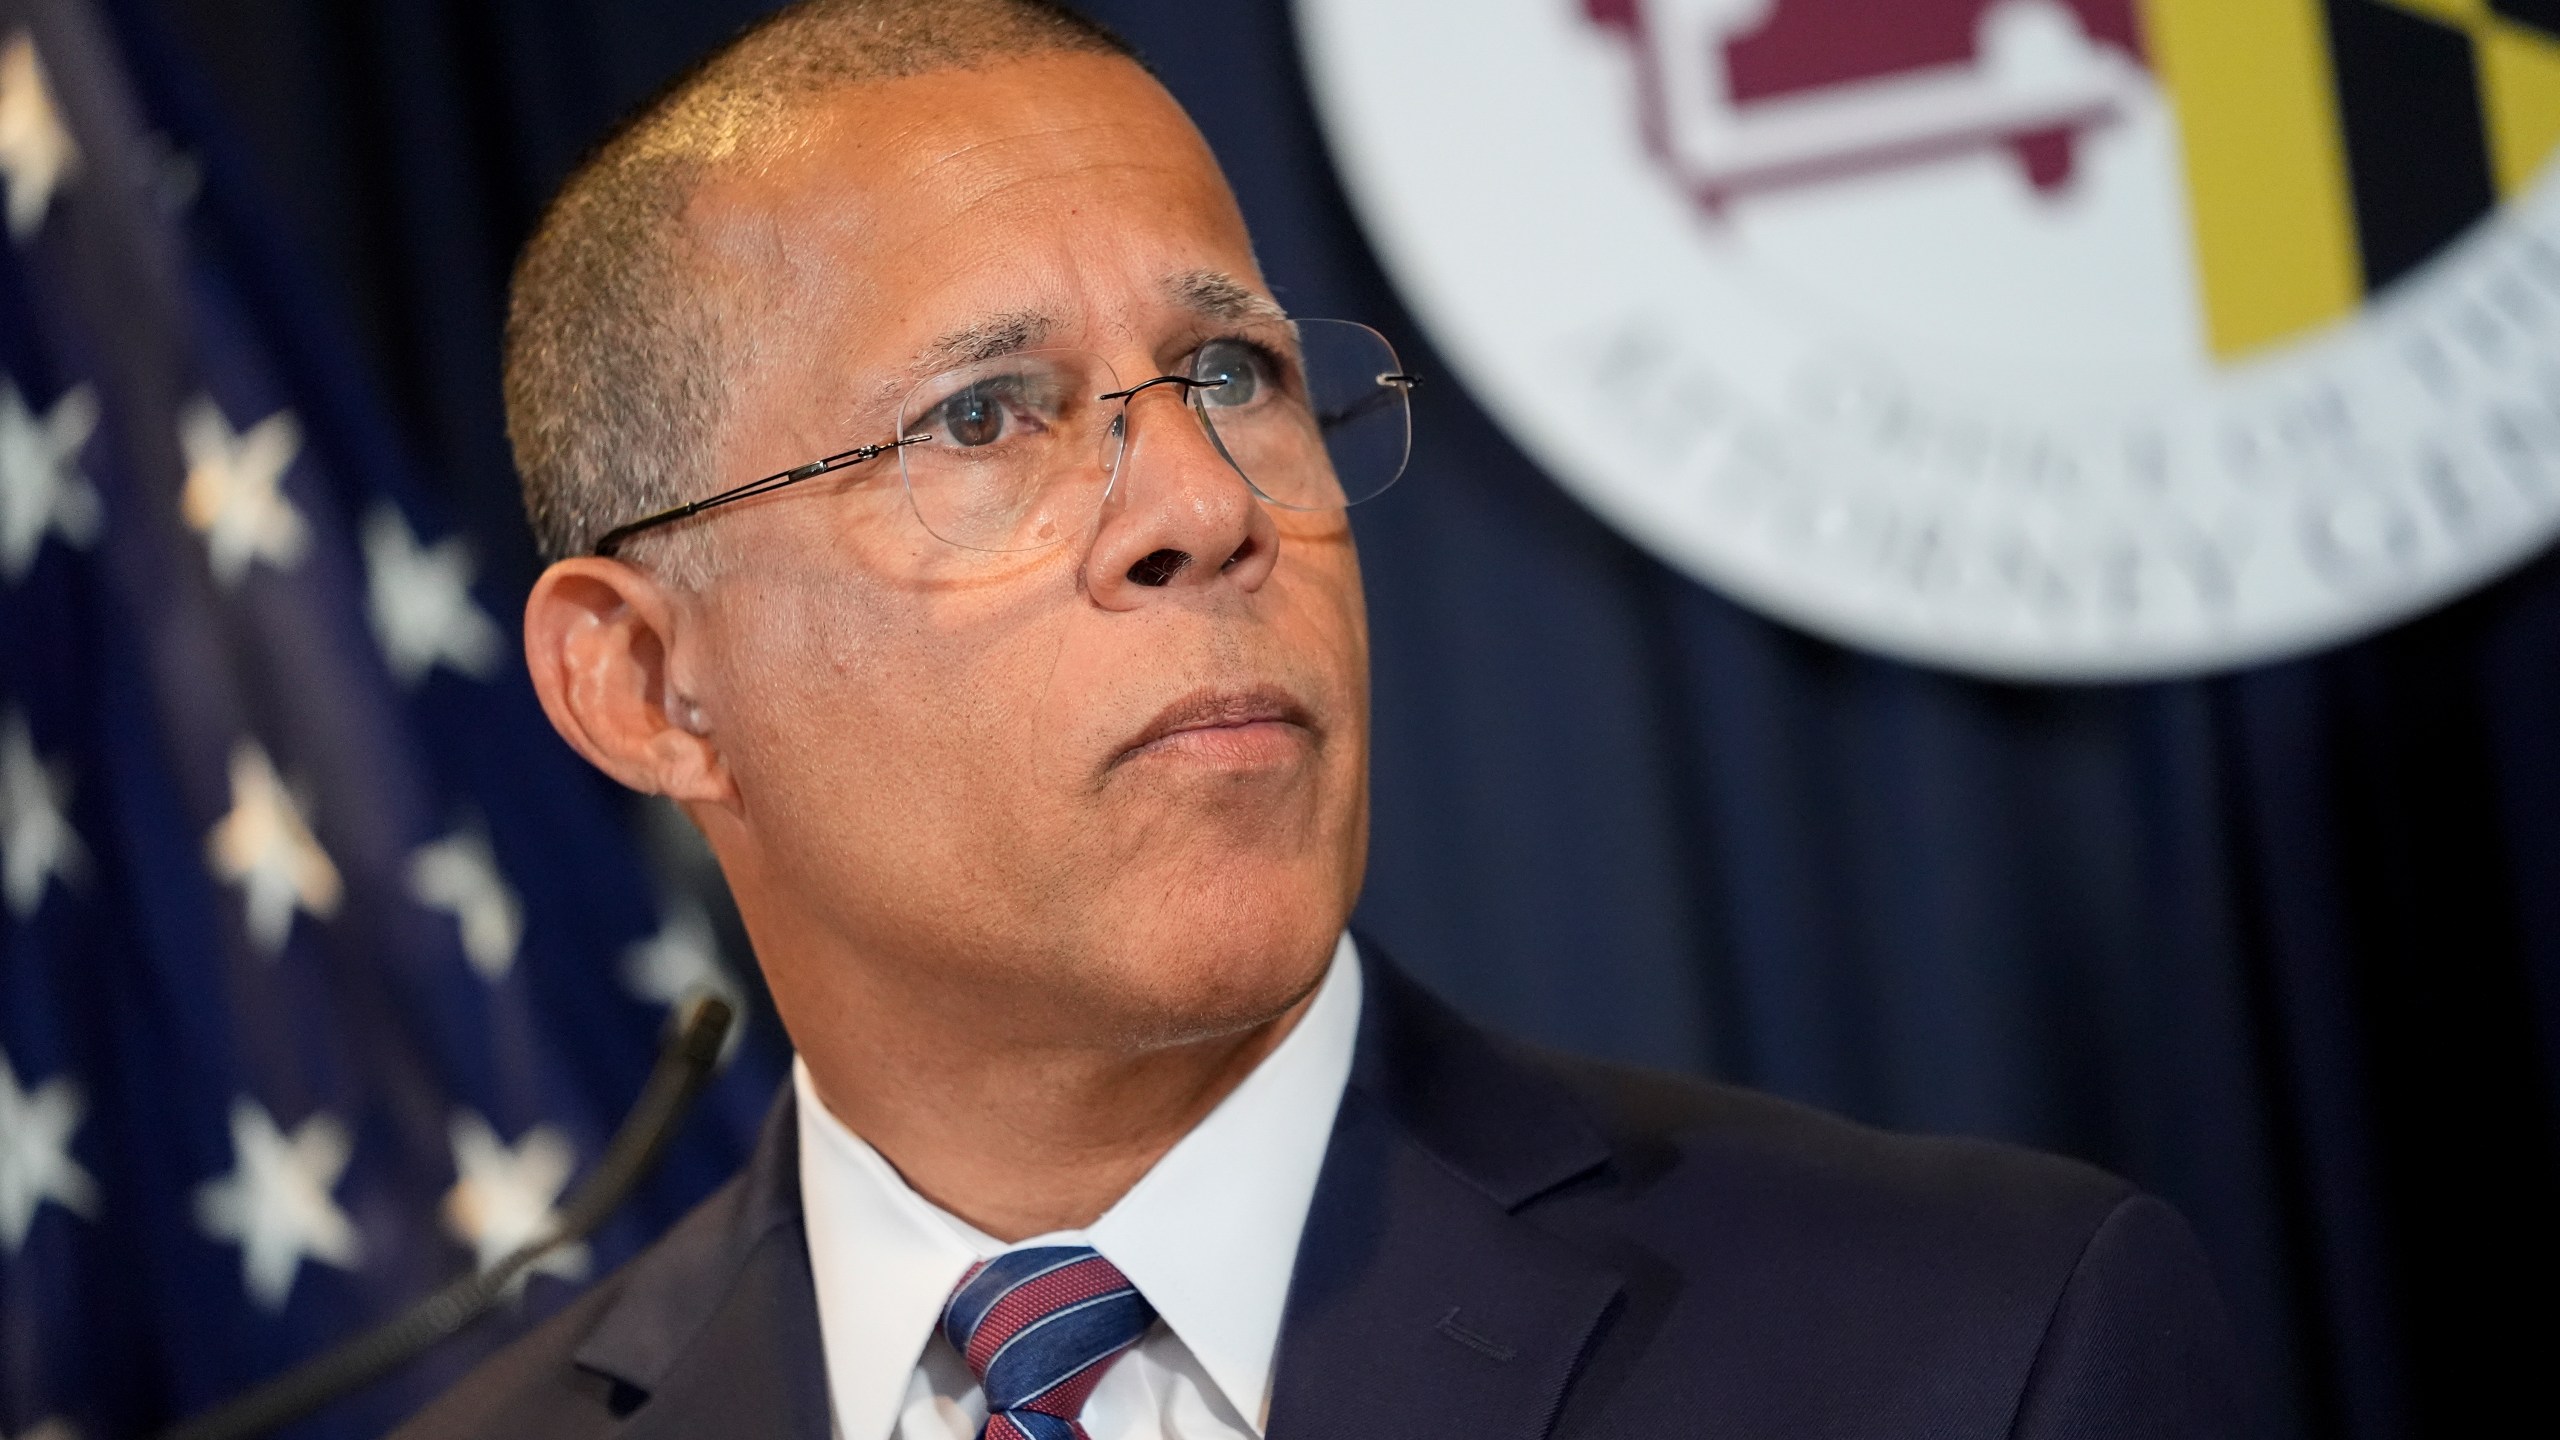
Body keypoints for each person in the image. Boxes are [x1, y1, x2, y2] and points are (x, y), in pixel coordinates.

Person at [396, 2, 2244, 1436]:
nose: (1208, 503)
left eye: (1235, 376)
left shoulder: (1971, 1354)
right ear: (646, 687)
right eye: (985, 417)